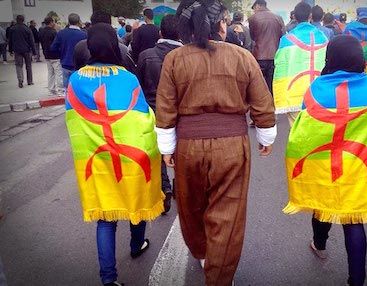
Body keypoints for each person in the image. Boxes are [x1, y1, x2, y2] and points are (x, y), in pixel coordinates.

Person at [157, 1, 276, 284]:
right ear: (220, 24)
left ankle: (203, 253)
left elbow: (165, 106)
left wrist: (166, 148)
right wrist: (265, 133)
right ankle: (220, 274)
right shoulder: (241, 56)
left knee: (191, 207)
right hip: (232, 146)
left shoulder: (174, 59)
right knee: (228, 213)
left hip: (188, 147)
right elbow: (261, 100)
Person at [65, 22, 164, 286]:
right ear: (113, 44)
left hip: (95, 159)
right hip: (130, 156)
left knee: (106, 219)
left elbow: (74, 122)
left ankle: (108, 279)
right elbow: (142, 118)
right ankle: (136, 244)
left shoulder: (75, 80)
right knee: (136, 203)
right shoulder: (127, 78)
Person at [284, 35, 367, 286]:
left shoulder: (316, 88)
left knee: (323, 204)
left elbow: (305, 131)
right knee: (353, 221)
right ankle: (357, 280)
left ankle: (319, 245)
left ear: (331, 57)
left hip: (323, 164)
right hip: (359, 168)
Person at [137, 14, 181, 214]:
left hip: (154, 111)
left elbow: (140, 86)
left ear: (160, 32)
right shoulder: (188, 55)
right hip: (181, 112)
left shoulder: (146, 55)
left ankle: (165, 189)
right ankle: (180, 185)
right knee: (181, 151)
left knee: (160, 153)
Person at [273, 2, 328, 126]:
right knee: (316, 132)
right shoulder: (323, 38)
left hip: (294, 94)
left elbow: (280, 65)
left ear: (295, 17)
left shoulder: (287, 40)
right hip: (318, 93)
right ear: (310, 16)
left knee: (296, 132)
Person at [248, 0, 285, 96]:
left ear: (257, 6)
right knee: (272, 84)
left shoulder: (253, 18)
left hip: (259, 56)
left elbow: (252, 37)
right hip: (275, 56)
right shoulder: (278, 18)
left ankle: (262, 106)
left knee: (259, 85)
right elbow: (283, 36)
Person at [50, 13, 87, 89]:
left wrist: (62, 54)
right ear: (79, 21)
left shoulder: (61, 33)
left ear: (69, 22)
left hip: (65, 64)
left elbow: (53, 48)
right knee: (79, 89)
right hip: (80, 66)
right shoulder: (84, 35)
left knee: (67, 89)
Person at [8, 15, 36, 88]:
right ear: (23, 20)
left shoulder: (12, 29)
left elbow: (10, 41)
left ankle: (20, 80)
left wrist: (10, 50)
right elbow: (31, 41)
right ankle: (30, 81)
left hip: (17, 50)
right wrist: (34, 52)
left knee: (18, 65)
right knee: (28, 66)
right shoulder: (27, 29)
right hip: (27, 50)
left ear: (16, 20)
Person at [39, 16, 64, 96]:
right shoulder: (53, 32)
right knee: (58, 73)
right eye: (53, 22)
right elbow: (57, 43)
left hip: (46, 54)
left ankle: (51, 90)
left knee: (50, 72)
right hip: (55, 55)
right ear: (51, 22)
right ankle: (60, 90)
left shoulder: (42, 31)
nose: (54, 23)